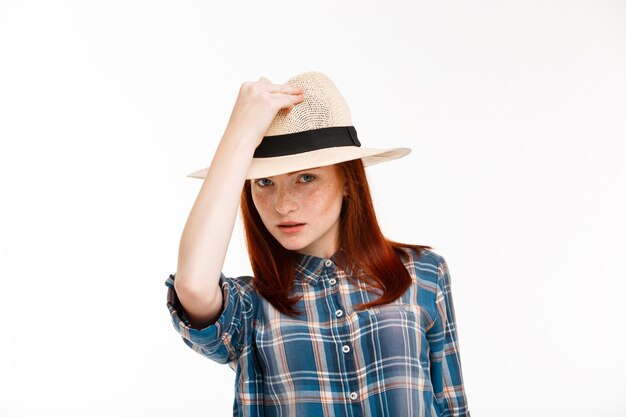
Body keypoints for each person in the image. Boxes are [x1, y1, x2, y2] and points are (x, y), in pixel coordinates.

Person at [164, 71, 471, 417]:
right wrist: (238, 137)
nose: (283, 204)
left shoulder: (423, 273)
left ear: (347, 181)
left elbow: (451, 407)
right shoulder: (250, 309)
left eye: (306, 177)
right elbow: (192, 285)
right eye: (264, 182)